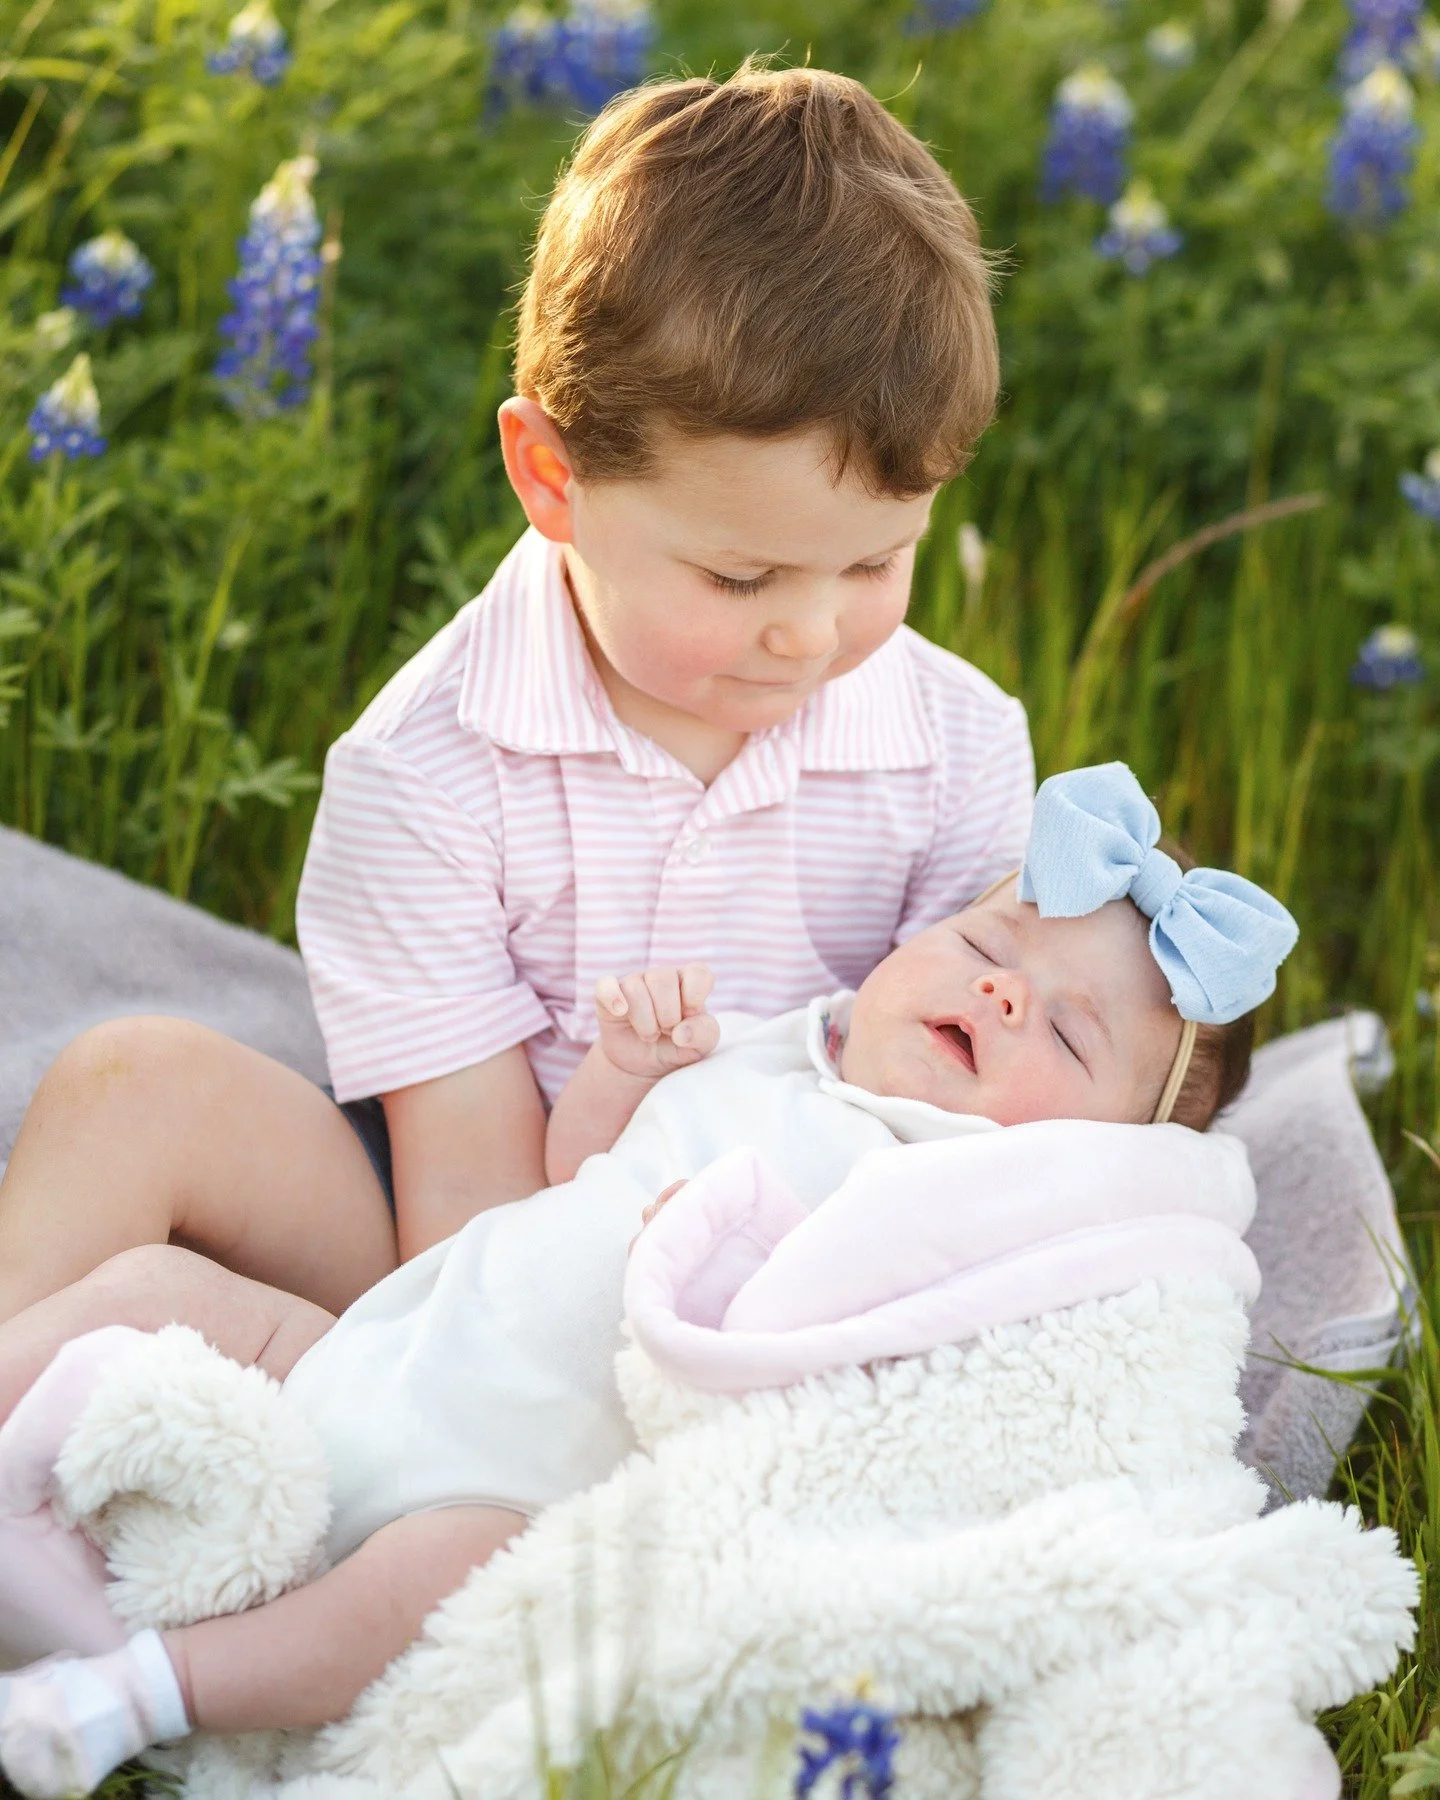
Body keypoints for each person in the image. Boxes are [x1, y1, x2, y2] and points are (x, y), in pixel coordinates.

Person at [0, 764, 1298, 1798]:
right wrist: (627, 1070)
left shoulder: (952, 1197)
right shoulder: (784, 1051)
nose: (1001, 992)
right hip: (375, 1351)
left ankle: (145, 1691)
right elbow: (576, 1175)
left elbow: (860, 1401)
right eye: (980, 940)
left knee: (432, 1589)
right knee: (150, 1284)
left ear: (1093, 1157)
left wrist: (730, 1268)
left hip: (502, 1486)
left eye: (1067, 1033)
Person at [0, 63, 1032, 1325]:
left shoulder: (961, 750)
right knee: (129, 1085)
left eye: (877, 560)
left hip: (800, 1264)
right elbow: (465, 1226)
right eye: (741, 573)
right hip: (472, 1257)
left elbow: (969, 1144)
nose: (810, 634)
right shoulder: (427, 769)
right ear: (551, 478)